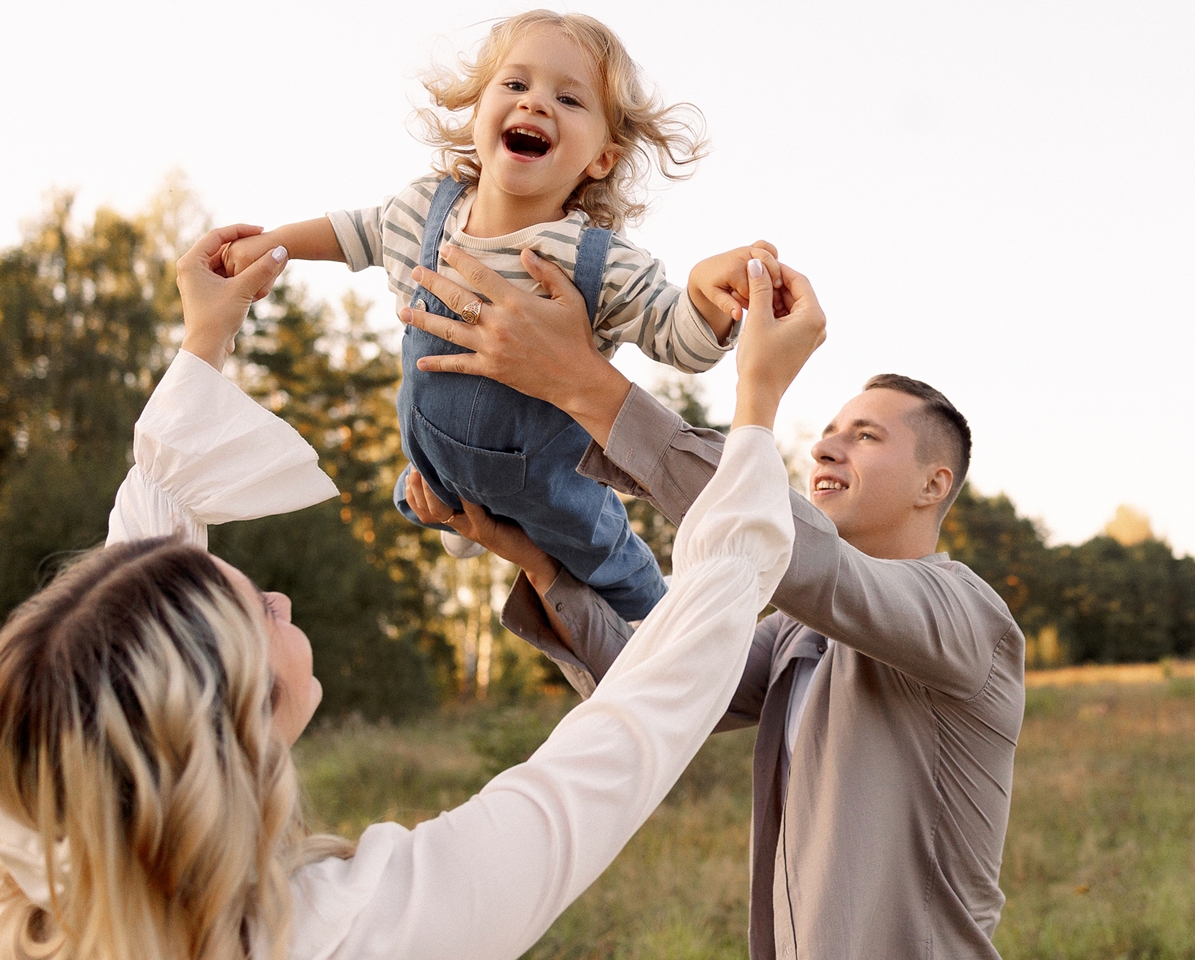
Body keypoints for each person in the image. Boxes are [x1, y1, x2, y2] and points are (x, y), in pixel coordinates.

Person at [0, 225, 825, 960]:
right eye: (254, 607)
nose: (280, 599)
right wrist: (755, 408)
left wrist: (207, 335)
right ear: (221, 729)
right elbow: (633, 727)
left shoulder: (44, 866)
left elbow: (129, 604)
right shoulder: (355, 933)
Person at [399, 249, 1026, 959]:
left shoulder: (970, 620)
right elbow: (653, 667)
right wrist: (537, 563)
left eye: (866, 436)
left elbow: (799, 554)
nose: (826, 448)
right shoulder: (800, 634)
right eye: (830, 431)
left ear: (932, 485)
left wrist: (587, 388)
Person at [219, 9, 783, 622]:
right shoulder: (423, 213)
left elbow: (683, 342)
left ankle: (677, 639)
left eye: (569, 98)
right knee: (429, 476)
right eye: (515, 85)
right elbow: (351, 232)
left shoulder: (597, 262)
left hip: (551, 486)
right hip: (436, 453)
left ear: (601, 158)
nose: (536, 104)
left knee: (614, 568)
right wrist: (272, 245)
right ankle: (450, 499)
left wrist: (705, 294)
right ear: (476, 113)